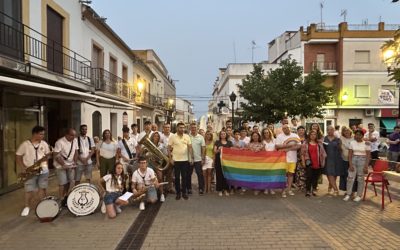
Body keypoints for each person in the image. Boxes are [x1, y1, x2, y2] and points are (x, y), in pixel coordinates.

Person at [17, 126, 51, 216]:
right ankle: (27, 207)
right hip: (30, 171)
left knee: (42, 188)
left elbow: (47, 155)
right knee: (29, 190)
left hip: (43, 170)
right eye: (40, 134)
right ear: (35, 134)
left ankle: (43, 205)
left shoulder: (44, 143)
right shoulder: (25, 144)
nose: (42, 136)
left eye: (43, 134)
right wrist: (23, 167)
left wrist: (45, 163)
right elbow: (18, 156)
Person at [53, 128, 79, 206]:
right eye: (72, 135)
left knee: (69, 181)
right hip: (60, 166)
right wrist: (63, 165)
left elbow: (76, 152)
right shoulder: (59, 142)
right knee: (62, 183)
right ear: (66, 135)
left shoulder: (75, 140)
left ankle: (65, 196)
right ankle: (61, 199)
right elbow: (56, 155)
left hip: (70, 165)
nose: (73, 137)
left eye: (74, 135)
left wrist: (74, 162)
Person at [343, 130, 371, 202]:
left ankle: (359, 195)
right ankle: (348, 194)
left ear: (362, 135)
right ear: (354, 135)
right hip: (353, 159)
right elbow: (350, 154)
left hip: (363, 160)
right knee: (350, 178)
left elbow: (368, 156)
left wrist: (366, 166)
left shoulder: (366, 144)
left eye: (359, 135)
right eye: (356, 135)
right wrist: (350, 164)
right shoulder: (352, 143)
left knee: (360, 178)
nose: (357, 136)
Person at [168, 122, 193, 200]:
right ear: (177, 128)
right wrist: (170, 158)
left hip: (185, 160)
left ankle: (184, 193)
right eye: (180, 127)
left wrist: (191, 158)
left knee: (184, 177)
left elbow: (190, 148)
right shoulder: (173, 137)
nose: (182, 129)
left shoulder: (187, 136)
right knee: (177, 178)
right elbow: (168, 148)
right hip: (176, 160)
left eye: (183, 128)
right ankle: (178, 193)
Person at [275, 124, 301, 198]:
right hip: (283, 159)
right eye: (285, 128)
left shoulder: (295, 136)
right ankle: (283, 191)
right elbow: (277, 146)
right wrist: (290, 145)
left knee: (291, 174)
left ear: (290, 128)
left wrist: (288, 149)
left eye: (288, 128)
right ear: (282, 129)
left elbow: (299, 145)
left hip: (293, 159)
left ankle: (289, 189)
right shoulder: (280, 136)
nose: (286, 129)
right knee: (284, 175)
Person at [301, 130, 327, 197]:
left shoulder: (319, 144)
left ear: (316, 136)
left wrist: (323, 161)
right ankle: (308, 190)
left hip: (318, 162)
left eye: (314, 134)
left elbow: (323, 153)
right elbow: (302, 154)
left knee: (316, 177)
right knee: (309, 177)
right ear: (309, 135)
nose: (313, 136)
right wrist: (303, 162)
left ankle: (314, 190)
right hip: (309, 162)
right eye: (311, 134)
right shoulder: (305, 144)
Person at [323, 125, 343, 196]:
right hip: (327, 159)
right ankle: (336, 190)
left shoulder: (338, 139)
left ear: (334, 130)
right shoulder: (324, 139)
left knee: (334, 174)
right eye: (328, 130)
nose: (330, 131)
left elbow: (341, 149)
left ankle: (330, 187)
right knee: (329, 173)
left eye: (331, 129)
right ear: (326, 131)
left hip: (337, 159)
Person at [187, 123, 206, 195]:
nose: (193, 129)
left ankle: (201, 188)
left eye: (195, 128)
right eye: (192, 128)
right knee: (188, 174)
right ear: (190, 128)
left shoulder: (201, 137)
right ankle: (189, 188)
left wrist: (203, 158)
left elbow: (203, 148)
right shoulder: (187, 137)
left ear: (197, 128)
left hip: (198, 159)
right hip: (189, 159)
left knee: (200, 174)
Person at [214, 130, 233, 196]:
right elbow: (215, 151)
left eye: (224, 134)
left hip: (227, 162)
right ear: (219, 135)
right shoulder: (217, 142)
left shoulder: (229, 142)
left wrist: (226, 150)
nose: (223, 135)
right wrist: (219, 150)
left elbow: (231, 152)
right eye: (221, 134)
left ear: (226, 135)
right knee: (219, 175)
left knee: (226, 175)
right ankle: (219, 190)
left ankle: (226, 189)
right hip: (218, 161)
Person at [149, 131, 166, 202]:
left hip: (158, 164)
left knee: (160, 178)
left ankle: (162, 194)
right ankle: (152, 194)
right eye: (155, 136)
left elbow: (164, 155)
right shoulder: (149, 144)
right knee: (150, 179)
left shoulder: (161, 145)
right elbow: (145, 154)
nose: (156, 137)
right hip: (150, 164)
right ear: (152, 137)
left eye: (157, 136)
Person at [261, 128, 277, 195]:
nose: (266, 134)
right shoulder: (262, 141)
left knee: (272, 174)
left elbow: (276, 150)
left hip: (273, 160)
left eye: (267, 132)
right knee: (266, 174)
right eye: (264, 133)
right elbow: (262, 152)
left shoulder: (274, 140)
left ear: (270, 133)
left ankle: (272, 188)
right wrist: (263, 147)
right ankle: (266, 188)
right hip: (265, 160)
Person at [160, 123, 174, 193]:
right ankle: (162, 189)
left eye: (168, 127)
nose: (167, 129)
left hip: (170, 157)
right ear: (163, 128)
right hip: (162, 157)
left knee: (170, 173)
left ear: (170, 128)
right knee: (162, 173)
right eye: (165, 127)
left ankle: (169, 188)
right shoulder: (161, 136)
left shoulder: (173, 136)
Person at [295, 126, 307, 191]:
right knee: (298, 171)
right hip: (296, 156)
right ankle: (299, 185)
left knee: (304, 171)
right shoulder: (295, 138)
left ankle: (304, 185)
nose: (301, 131)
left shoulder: (307, 139)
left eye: (302, 130)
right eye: (300, 130)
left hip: (305, 157)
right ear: (297, 131)